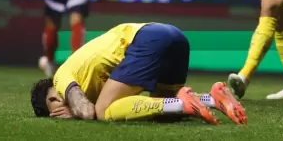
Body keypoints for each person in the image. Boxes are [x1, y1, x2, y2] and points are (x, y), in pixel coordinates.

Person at [30, 23, 247, 125]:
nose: (62, 111)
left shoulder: (61, 77)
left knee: (103, 111)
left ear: (52, 96)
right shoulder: (87, 82)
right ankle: (213, 99)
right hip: (174, 36)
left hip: (146, 40)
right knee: (163, 110)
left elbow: (87, 112)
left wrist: (73, 112)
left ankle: (183, 103)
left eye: (56, 109)